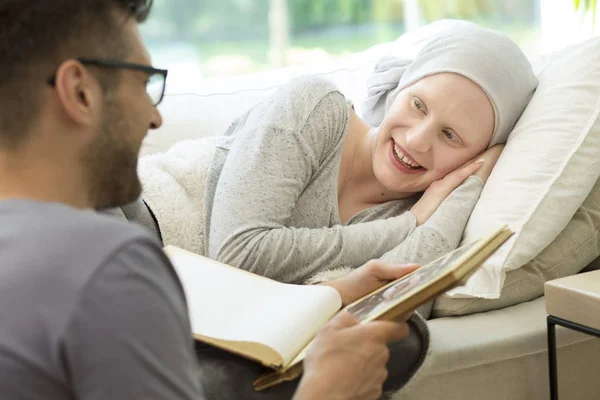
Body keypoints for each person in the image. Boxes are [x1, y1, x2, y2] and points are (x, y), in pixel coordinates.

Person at [0, 1, 428, 399]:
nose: (156, 117)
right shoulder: (109, 268)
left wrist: (330, 292)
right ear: (79, 92)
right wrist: (326, 391)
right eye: (145, 82)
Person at [201, 22, 538, 320]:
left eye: (450, 135)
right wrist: (407, 225)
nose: (417, 140)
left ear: (472, 157)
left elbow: (394, 313)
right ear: (400, 90)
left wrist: (470, 184)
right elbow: (237, 255)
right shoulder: (315, 105)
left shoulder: (419, 210)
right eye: (418, 105)